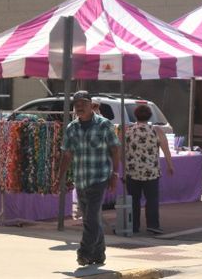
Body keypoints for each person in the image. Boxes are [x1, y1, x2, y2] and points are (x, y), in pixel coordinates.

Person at [58, 91, 121, 266]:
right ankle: (99, 254)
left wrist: (115, 174)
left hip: (99, 178)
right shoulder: (72, 127)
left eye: (83, 103)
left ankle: (84, 253)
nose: (79, 106)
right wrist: (60, 177)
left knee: (91, 218)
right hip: (81, 179)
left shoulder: (104, 125)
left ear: (91, 104)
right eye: (76, 103)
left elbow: (115, 149)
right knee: (90, 219)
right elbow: (67, 154)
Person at [124, 104, 174, 235]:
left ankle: (134, 225)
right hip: (151, 171)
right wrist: (170, 165)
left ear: (135, 115)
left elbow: (121, 150)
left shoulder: (128, 131)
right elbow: (165, 149)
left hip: (132, 171)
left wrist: (122, 167)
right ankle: (153, 224)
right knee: (151, 199)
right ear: (150, 115)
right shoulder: (156, 130)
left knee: (134, 200)